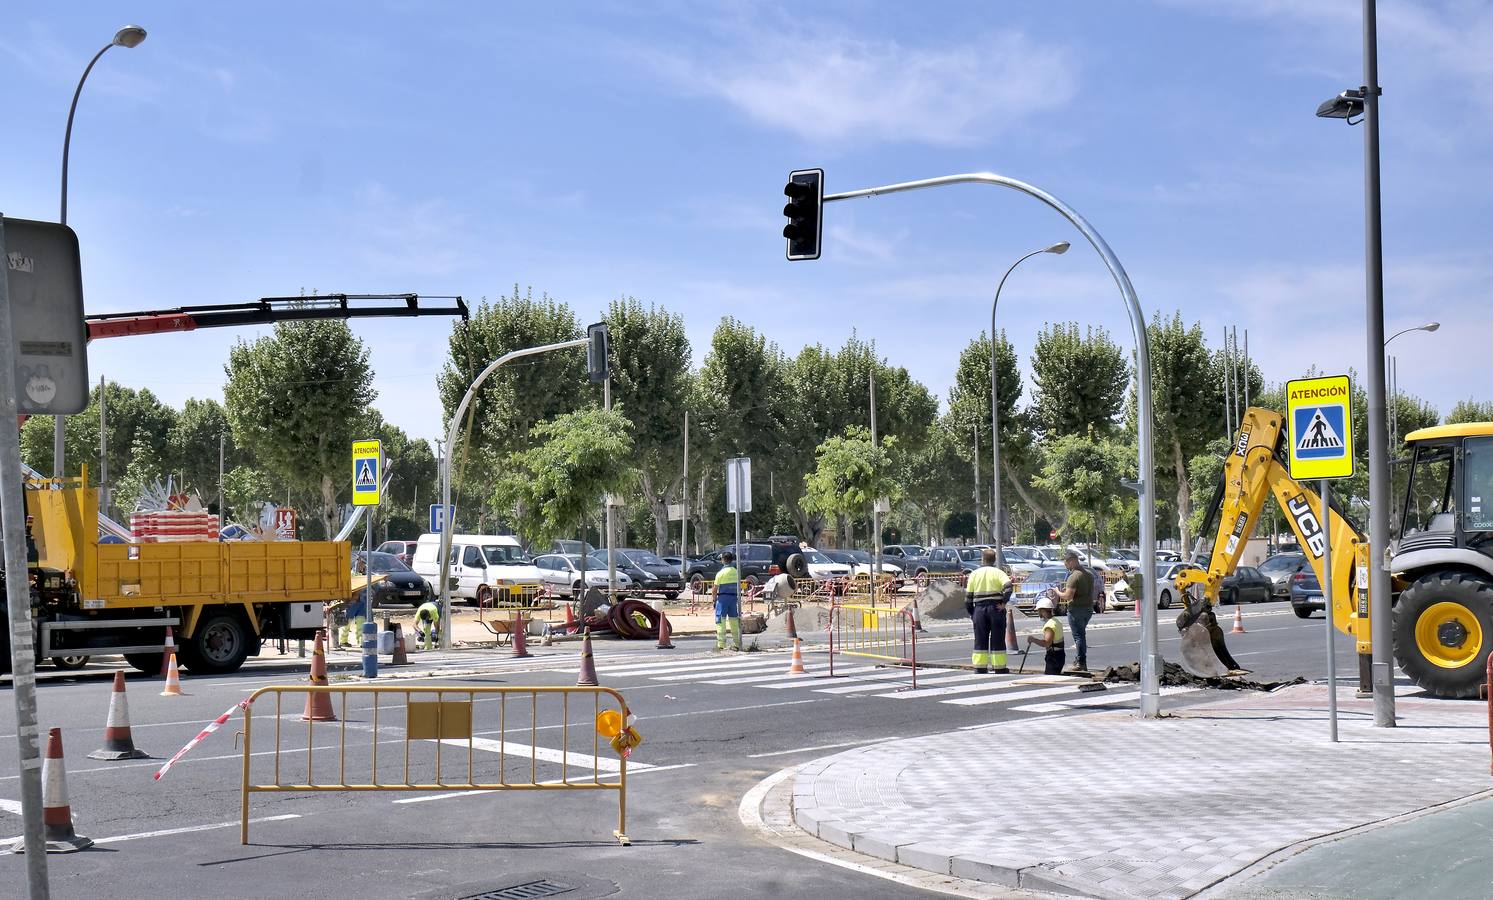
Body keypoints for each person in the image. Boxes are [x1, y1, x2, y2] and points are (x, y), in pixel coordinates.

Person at [965, 547, 1012, 674]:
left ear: (982, 559)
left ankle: (980, 667)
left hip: (979, 608)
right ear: (994, 560)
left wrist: (972, 613)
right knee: (998, 638)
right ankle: (999, 667)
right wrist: (1003, 603)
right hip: (995, 608)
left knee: (980, 638)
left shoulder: (974, 574)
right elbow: (1008, 587)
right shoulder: (999, 573)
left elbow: (968, 598)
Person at [1051, 549, 1095, 672]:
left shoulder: (1074, 576)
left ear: (1072, 561)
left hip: (1076, 609)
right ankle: (1080, 660)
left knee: (1078, 636)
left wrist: (1057, 591)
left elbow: (1068, 596)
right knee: (1081, 635)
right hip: (1088, 609)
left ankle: (1081, 662)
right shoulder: (1088, 574)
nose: (1065, 566)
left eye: (1066, 563)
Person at [712, 551, 743, 651]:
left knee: (720, 621)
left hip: (722, 599)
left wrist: (714, 600)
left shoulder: (720, 573)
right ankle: (737, 644)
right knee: (734, 621)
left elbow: (714, 589)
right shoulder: (736, 572)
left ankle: (721, 644)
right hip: (734, 599)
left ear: (723, 560)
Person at [1026, 597, 1066, 674]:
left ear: (1043, 611)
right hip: (1059, 655)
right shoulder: (1056, 621)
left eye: (1039, 611)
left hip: (1054, 657)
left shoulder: (1049, 625)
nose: (1039, 613)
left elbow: (1047, 643)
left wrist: (1033, 639)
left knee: (1051, 678)